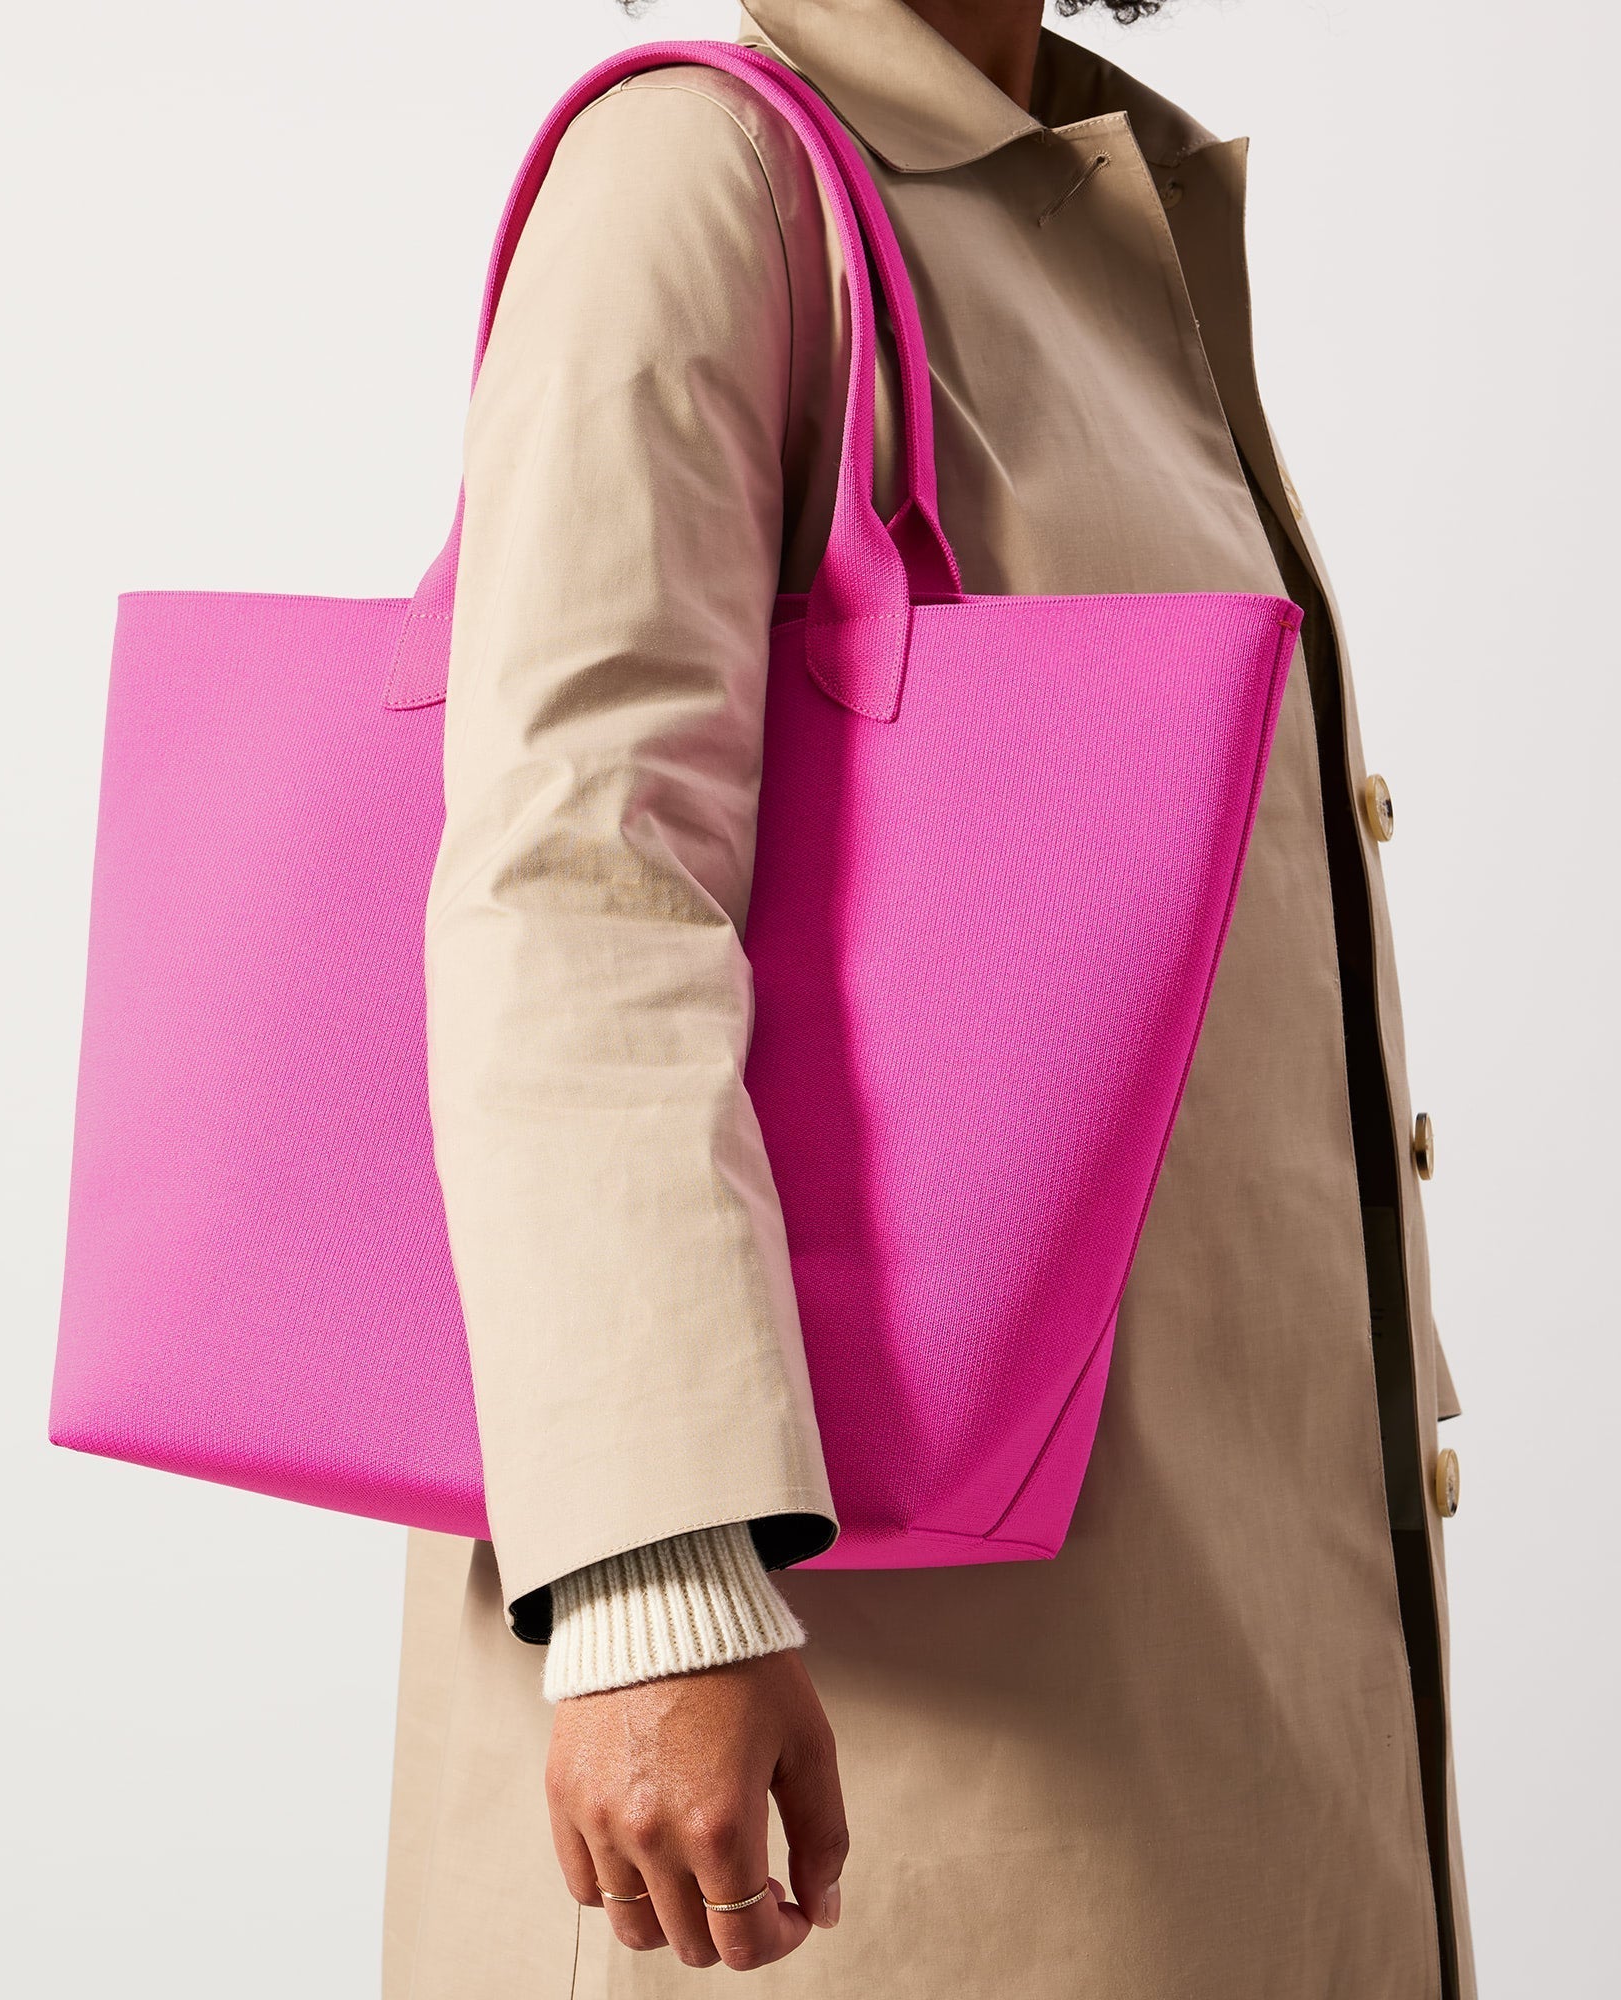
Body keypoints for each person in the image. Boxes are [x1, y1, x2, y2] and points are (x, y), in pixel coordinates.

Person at [388, 2, 1474, 1993]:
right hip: (888, 1749)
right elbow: (575, 883)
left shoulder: (1080, 205)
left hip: (1218, 1672)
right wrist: (652, 1572)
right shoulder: (700, 175)